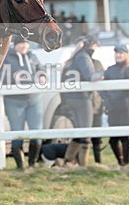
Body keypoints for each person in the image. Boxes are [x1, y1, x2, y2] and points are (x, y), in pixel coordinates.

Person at [42, 34, 102, 166]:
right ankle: (82, 165)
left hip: (71, 99)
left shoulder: (73, 58)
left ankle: (68, 161)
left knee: (79, 132)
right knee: (86, 133)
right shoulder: (83, 57)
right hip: (82, 99)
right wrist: (104, 74)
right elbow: (91, 76)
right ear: (91, 44)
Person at [2, 35, 46, 169]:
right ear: (15, 44)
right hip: (14, 101)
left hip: (34, 99)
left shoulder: (33, 56)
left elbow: (41, 69)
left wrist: (43, 76)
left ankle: (32, 164)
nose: (24, 46)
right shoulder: (6, 58)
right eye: (21, 44)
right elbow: (0, 75)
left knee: (36, 131)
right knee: (17, 132)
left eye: (26, 44)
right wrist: (13, 77)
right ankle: (20, 166)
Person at [102, 44, 129, 166]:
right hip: (113, 108)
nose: (118, 55)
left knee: (125, 137)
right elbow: (103, 88)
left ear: (126, 54)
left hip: (125, 108)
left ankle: (126, 162)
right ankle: (120, 161)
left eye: (121, 53)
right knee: (113, 139)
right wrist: (107, 102)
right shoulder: (110, 70)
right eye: (116, 53)